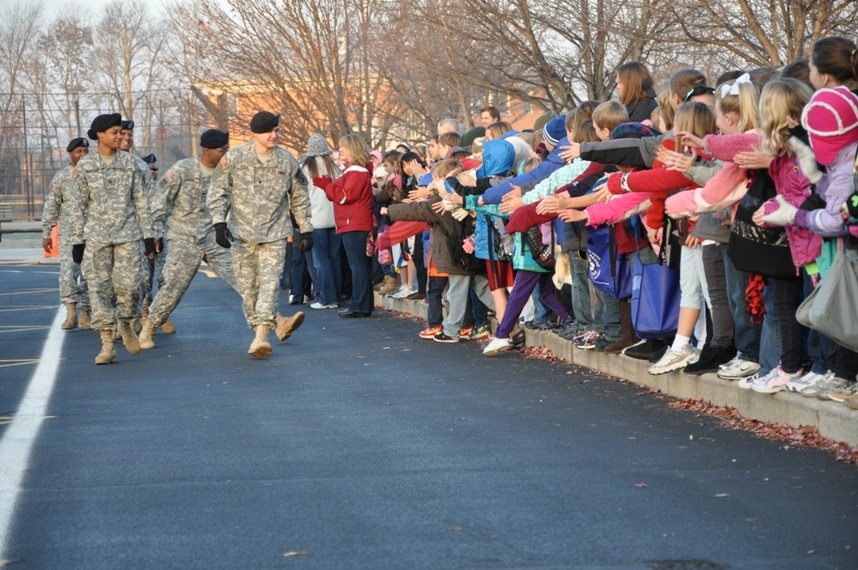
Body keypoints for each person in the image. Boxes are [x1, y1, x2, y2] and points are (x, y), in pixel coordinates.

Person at [141, 129, 272, 350]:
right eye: (222, 150)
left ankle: (267, 327)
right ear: (206, 149)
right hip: (184, 237)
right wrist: (154, 234)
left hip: (215, 236)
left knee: (245, 279)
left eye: (227, 149)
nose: (226, 154)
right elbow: (158, 202)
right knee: (173, 287)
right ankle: (149, 328)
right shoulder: (182, 169)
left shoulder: (228, 172)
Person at [207, 111, 313, 357]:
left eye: (277, 130)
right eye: (269, 131)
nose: (274, 135)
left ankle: (262, 335)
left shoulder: (287, 161)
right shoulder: (232, 158)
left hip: (274, 233)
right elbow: (217, 191)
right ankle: (263, 327)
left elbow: (299, 197)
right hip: (241, 234)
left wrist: (305, 229)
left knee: (269, 283)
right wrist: (219, 224)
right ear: (255, 133)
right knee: (248, 288)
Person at [70, 113, 156, 365]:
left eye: (121, 132)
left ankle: (126, 323)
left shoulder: (132, 164)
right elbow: (79, 205)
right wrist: (77, 240)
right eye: (114, 132)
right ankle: (107, 344)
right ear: (99, 135)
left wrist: (149, 234)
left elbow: (142, 201)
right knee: (98, 291)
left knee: (130, 289)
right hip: (95, 239)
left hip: (128, 237)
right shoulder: (85, 166)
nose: (120, 136)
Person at [318, 133, 375, 317]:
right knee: (359, 265)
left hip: (354, 222)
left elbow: (344, 196)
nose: (340, 150)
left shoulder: (356, 172)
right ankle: (362, 304)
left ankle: (359, 304)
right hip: (353, 222)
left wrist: (327, 185)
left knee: (356, 265)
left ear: (352, 148)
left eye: (343, 147)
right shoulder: (354, 171)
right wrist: (328, 186)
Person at [42, 137, 91, 331]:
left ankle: (86, 312)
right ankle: (71, 313)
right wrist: (46, 232)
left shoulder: (95, 175)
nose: (83, 155)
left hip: (92, 233)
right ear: (70, 153)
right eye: (79, 151)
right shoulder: (61, 177)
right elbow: (52, 205)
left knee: (90, 274)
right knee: (68, 273)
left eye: (86, 151)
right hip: (70, 234)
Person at [302, 134, 343, 309]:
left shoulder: (305, 169)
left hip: (316, 220)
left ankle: (325, 298)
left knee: (320, 261)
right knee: (335, 258)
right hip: (335, 219)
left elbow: (301, 195)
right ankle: (336, 296)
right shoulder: (334, 168)